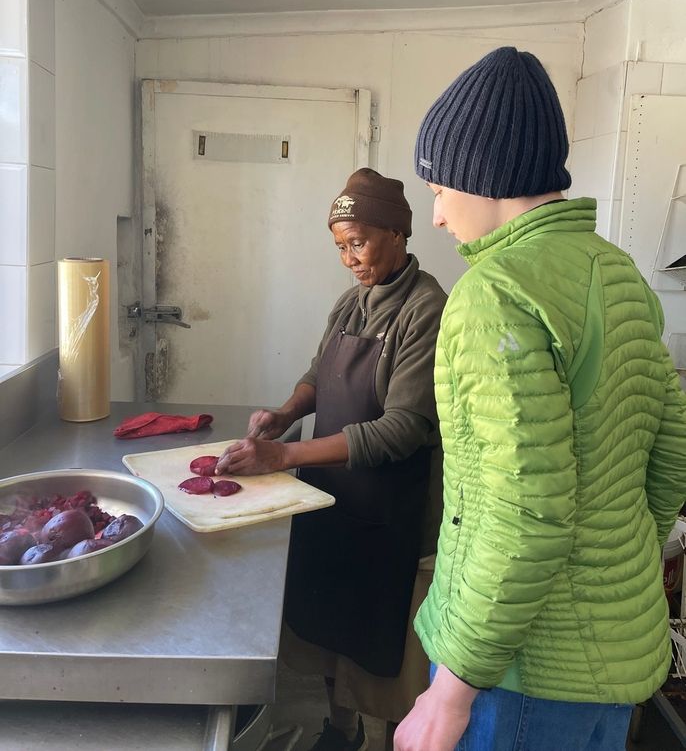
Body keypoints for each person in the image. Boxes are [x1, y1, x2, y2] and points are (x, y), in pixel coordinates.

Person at [394, 46, 686, 751]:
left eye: (436, 188)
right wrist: (610, 567)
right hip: (611, 665)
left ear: (480, 174)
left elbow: (522, 515)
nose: (435, 214)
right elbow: (671, 458)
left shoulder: (494, 294)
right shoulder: (620, 277)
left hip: (519, 675)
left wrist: (449, 691)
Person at [216, 167, 447, 751]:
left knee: (389, 644)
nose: (349, 257)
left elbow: (402, 430)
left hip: (394, 509)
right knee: (327, 623)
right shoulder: (350, 304)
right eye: (341, 246)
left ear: (397, 232)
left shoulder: (427, 309)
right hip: (331, 497)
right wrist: (286, 413)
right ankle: (339, 730)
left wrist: (284, 453)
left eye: (359, 242)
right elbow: (317, 376)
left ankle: (396, 739)